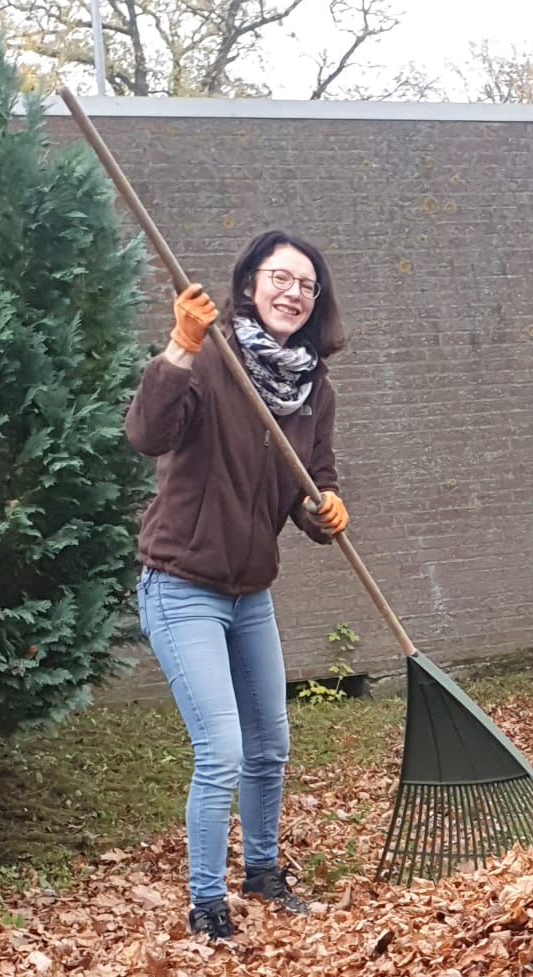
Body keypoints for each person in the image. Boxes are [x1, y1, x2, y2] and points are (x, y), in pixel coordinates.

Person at [126, 230, 350, 940]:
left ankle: (260, 872)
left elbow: (309, 481)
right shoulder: (213, 361)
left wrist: (326, 509)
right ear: (250, 283)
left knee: (270, 744)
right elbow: (147, 432)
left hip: (249, 591)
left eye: (306, 286)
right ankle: (206, 904)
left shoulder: (312, 388)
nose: (293, 293)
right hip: (180, 585)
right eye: (279, 277)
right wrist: (180, 349)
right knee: (220, 748)